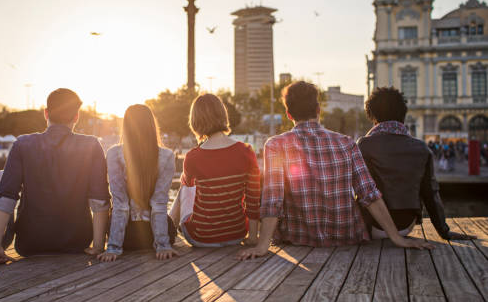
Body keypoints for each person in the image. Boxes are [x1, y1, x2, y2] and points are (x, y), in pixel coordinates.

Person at [238, 81, 433, 260]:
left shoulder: (275, 145)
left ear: (289, 114)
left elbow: (273, 199)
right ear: (318, 110)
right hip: (347, 237)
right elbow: (369, 194)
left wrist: (263, 246)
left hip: (299, 238)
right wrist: (397, 238)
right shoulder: (346, 143)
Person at [0, 88, 110, 263]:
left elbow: (6, 197)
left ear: (46, 113)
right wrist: (98, 245)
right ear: (76, 117)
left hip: (30, 244)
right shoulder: (91, 145)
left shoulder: (22, 144)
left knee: (1, 179)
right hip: (77, 241)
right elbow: (100, 201)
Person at [357, 87, 474, 240]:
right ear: (403, 114)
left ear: (373, 116)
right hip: (406, 226)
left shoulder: (365, 145)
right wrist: (444, 231)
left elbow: (362, 190)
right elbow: (430, 193)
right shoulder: (421, 147)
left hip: (373, 226)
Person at [170, 93, 261, 248]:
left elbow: (187, 196)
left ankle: (167, 229)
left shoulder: (192, 157)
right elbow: (252, 200)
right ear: (223, 116)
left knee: (184, 188)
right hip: (236, 234)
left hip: (200, 237)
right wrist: (252, 237)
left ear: (195, 122)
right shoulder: (246, 151)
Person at [98, 105, 177, 262]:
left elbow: (120, 203)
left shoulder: (114, 154)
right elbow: (159, 203)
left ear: (125, 127)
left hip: (127, 236)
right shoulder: (167, 156)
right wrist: (163, 245)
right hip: (156, 234)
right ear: (151, 125)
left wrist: (113, 247)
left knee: (119, 205)